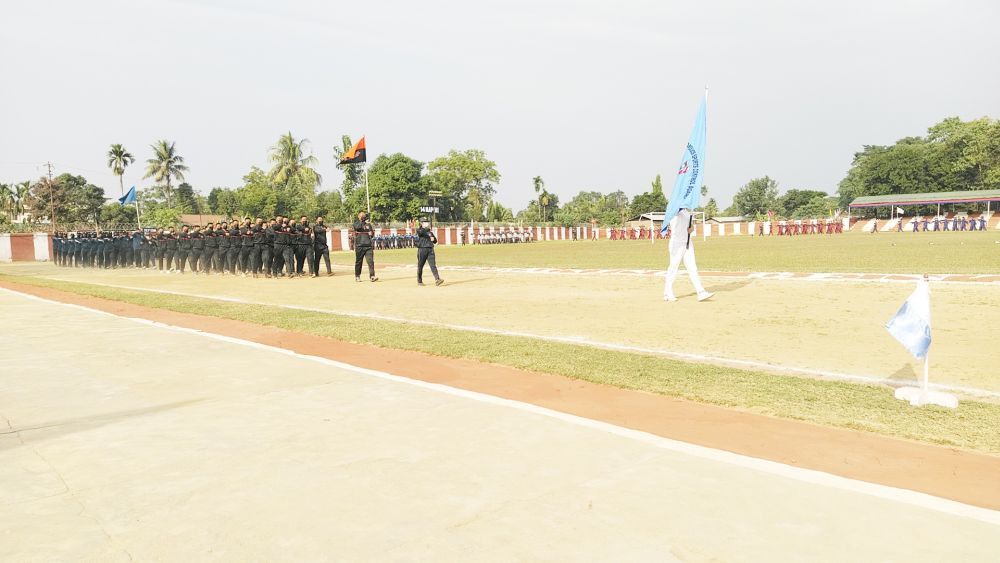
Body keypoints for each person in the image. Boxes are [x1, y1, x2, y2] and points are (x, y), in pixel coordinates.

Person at [663, 208, 713, 302]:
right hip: (676, 243)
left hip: (687, 242)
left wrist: (691, 229)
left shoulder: (686, 212)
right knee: (674, 267)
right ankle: (668, 292)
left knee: (692, 267)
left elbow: (690, 226)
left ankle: (700, 291)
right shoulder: (675, 209)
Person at [415, 218, 443, 286]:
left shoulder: (430, 232)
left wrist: (433, 239)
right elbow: (421, 233)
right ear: (421, 223)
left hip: (430, 249)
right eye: (425, 222)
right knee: (420, 265)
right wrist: (426, 230)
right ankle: (419, 281)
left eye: (427, 222)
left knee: (433, 265)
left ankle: (437, 279)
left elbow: (435, 241)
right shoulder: (420, 230)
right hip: (422, 249)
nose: (427, 223)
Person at [353, 211, 377, 282]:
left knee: (370, 261)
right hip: (359, 246)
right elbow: (357, 227)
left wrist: (371, 233)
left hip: (368, 246)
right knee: (359, 262)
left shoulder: (368, 225)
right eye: (361, 215)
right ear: (359, 217)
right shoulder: (356, 223)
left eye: (364, 216)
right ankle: (357, 276)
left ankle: (372, 276)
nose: (363, 216)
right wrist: (361, 220)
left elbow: (372, 234)